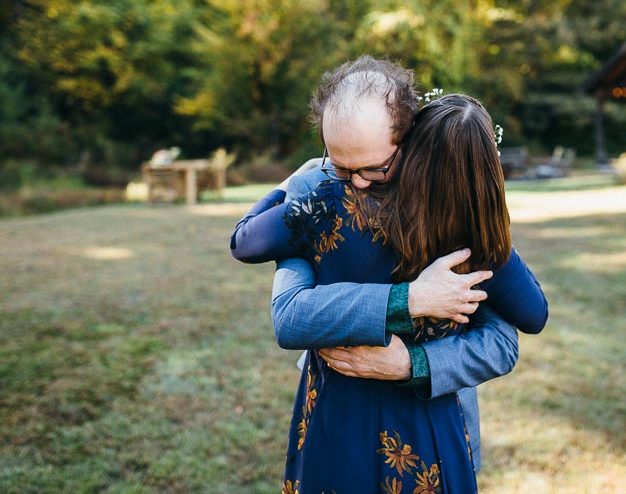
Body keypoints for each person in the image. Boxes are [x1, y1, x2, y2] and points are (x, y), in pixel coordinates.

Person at [230, 57, 548, 490]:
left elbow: (504, 339)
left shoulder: (453, 215)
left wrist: (413, 363)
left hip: (427, 417)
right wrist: (410, 299)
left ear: (409, 139)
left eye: (373, 169)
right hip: (338, 411)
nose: (355, 183)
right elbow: (289, 316)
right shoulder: (320, 196)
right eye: (339, 167)